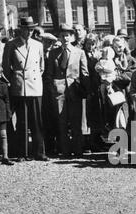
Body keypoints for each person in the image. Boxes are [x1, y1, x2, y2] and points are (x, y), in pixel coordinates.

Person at [2, 16, 48, 161]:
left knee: (37, 121)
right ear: (20, 29)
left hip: (34, 86)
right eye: (26, 29)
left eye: (31, 29)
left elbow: (41, 67)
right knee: (22, 121)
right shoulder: (11, 45)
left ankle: (39, 152)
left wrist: (32, 77)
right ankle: (23, 153)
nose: (28, 32)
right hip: (19, 86)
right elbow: (6, 67)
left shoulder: (38, 45)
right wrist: (15, 80)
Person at [44, 23, 89, 158]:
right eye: (62, 36)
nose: (65, 38)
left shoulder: (79, 52)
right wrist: (53, 87)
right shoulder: (53, 53)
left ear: (72, 36)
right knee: (61, 122)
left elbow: (84, 73)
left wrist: (84, 90)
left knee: (76, 122)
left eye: (68, 35)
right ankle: (65, 150)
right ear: (59, 37)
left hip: (75, 90)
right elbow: (49, 74)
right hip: (59, 91)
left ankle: (78, 150)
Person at [84, 33, 105, 151]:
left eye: (93, 44)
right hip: (87, 87)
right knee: (88, 115)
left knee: (97, 114)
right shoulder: (82, 54)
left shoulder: (98, 55)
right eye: (88, 43)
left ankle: (97, 139)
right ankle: (88, 141)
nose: (90, 46)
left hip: (97, 87)